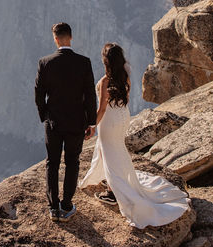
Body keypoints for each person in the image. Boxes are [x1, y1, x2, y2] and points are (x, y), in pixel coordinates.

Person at [78, 42, 190, 227]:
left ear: (106, 61)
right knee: (116, 149)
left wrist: (91, 126)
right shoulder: (125, 77)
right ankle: (106, 178)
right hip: (123, 116)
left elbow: (103, 108)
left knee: (110, 153)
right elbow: (126, 99)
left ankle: (113, 192)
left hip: (110, 119)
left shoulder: (106, 81)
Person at [34, 22, 97, 222]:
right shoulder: (84, 62)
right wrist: (91, 122)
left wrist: (45, 115)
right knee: (72, 162)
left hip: (53, 122)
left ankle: (53, 207)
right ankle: (67, 205)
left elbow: (38, 94)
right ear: (71, 37)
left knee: (52, 163)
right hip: (77, 122)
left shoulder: (45, 62)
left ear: (55, 39)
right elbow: (90, 96)